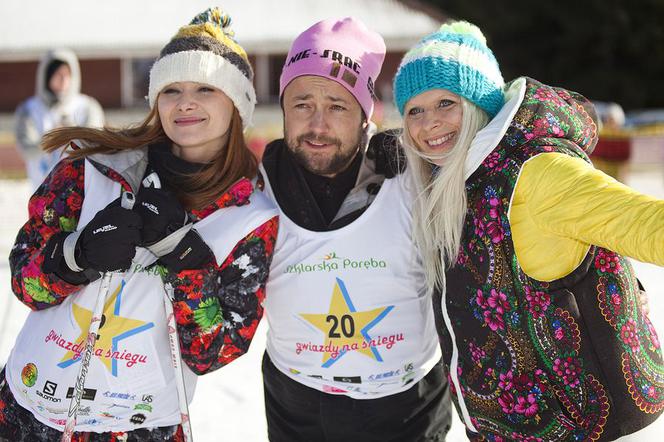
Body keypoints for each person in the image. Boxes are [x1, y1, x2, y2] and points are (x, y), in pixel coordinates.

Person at [1, 7, 278, 441]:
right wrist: (75, 256)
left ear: (237, 104)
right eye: (172, 89)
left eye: (205, 88)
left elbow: (214, 352)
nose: (185, 102)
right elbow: (23, 279)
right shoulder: (92, 166)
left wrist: (185, 259)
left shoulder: (251, 216)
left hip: (138, 428)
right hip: (31, 414)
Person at [393, 20, 664, 441]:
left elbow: (643, 223)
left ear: (480, 102)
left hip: (585, 428)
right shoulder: (453, 182)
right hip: (513, 428)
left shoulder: (536, 171)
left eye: (446, 102)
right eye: (415, 110)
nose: (429, 124)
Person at [260, 17, 451, 442]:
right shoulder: (255, 186)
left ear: (367, 116)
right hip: (297, 404)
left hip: (406, 406)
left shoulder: (416, 177)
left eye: (338, 106)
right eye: (302, 104)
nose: (318, 125)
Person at [14, 48, 105, 190]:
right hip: (41, 190)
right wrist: (53, 138)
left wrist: (73, 134)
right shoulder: (29, 109)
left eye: (67, 74)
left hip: (80, 190)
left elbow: (95, 146)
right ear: (47, 75)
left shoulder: (87, 107)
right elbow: (26, 149)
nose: (63, 80)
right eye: (58, 74)